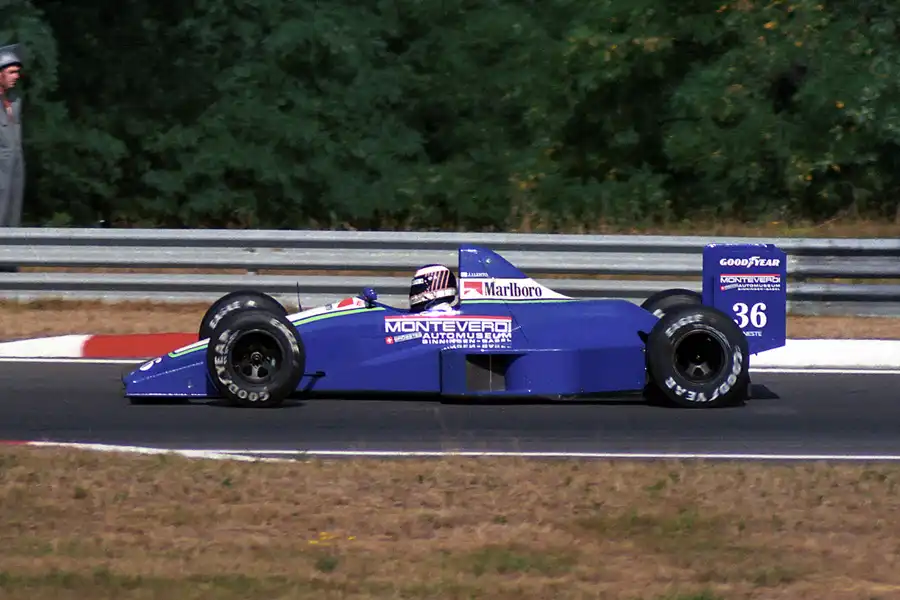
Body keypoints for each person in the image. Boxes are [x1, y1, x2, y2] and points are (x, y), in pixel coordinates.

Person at [0, 43, 23, 231]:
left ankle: (9, 260)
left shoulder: (13, 102)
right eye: (11, 72)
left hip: (14, 172)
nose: (16, 76)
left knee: (12, 221)